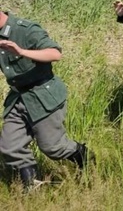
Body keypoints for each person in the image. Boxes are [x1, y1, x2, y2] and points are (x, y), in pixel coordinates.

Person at [0, 10, 90, 191]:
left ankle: (86, 159)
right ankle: (32, 186)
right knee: (9, 147)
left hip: (43, 96)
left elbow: (55, 54)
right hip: (18, 98)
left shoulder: (25, 29)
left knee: (53, 148)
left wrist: (21, 51)